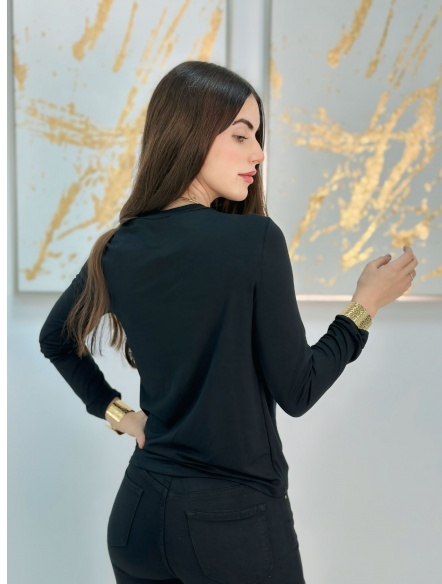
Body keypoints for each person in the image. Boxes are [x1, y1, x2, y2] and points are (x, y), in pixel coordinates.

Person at [39, 61, 418, 584]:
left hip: (139, 517)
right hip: (233, 527)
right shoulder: (256, 240)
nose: (258, 153)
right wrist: (363, 307)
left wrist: (121, 414)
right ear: (189, 135)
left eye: (257, 137)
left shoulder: (117, 247)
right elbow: (298, 390)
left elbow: (55, 339)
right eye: (241, 135)